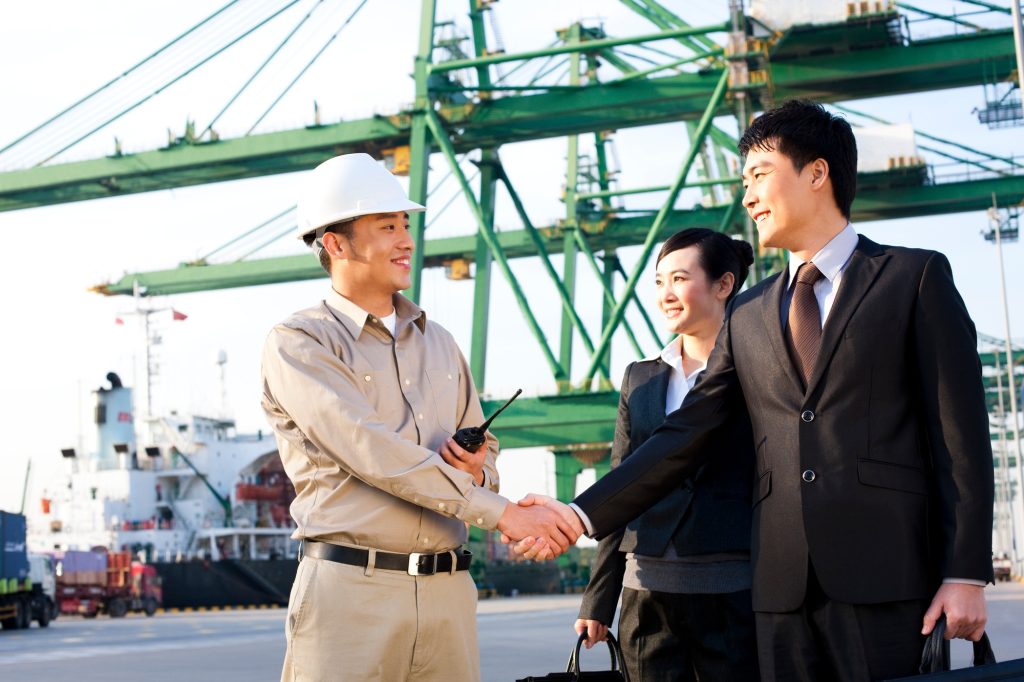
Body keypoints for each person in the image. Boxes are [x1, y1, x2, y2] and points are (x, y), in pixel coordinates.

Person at [524, 100, 994, 681]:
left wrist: (965, 572)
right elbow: (684, 433)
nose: (747, 196)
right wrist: (577, 513)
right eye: (743, 179)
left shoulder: (913, 277)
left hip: (888, 579)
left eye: (759, 175)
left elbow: (961, 439)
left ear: (817, 173)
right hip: (778, 590)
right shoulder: (747, 313)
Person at [261, 153, 583, 682]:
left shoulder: (442, 344)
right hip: (351, 595)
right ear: (335, 244)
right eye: (387, 226)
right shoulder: (300, 343)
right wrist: (503, 512)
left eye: (406, 225)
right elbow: (371, 450)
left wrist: (477, 470)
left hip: (448, 595)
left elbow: (488, 459)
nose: (406, 240)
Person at [575, 228, 759, 681]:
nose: (666, 294)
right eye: (658, 282)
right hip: (646, 595)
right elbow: (624, 481)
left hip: (732, 588)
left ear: (724, 284)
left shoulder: (759, 368)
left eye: (679, 279)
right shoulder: (639, 378)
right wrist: (599, 599)